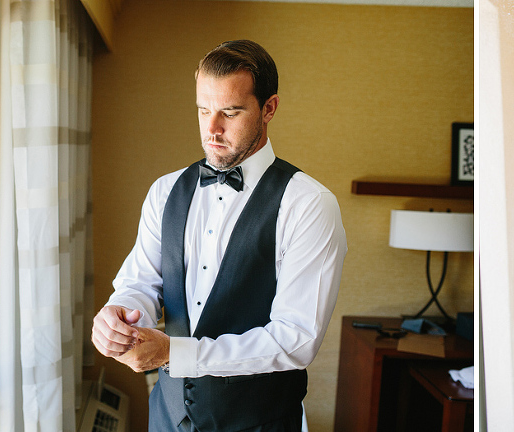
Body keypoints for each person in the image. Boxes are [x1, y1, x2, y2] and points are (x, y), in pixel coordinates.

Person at [90, 39, 348, 432]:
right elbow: (141, 282)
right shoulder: (166, 190)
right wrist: (121, 316)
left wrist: (174, 352)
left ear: (269, 108)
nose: (212, 129)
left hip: (259, 422)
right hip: (167, 417)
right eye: (203, 110)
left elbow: (296, 340)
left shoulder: (309, 204)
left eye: (230, 112)